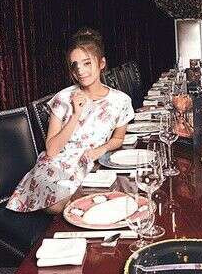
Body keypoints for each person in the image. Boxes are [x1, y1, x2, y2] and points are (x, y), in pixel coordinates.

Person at [7, 28, 134, 214]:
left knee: (107, 197)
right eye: (75, 65)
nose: (80, 70)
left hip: (91, 164)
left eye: (87, 63)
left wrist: (101, 150)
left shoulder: (121, 100)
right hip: (54, 166)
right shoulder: (63, 98)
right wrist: (75, 114)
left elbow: (118, 139)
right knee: (58, 204)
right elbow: (52, 150)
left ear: (101, 63)